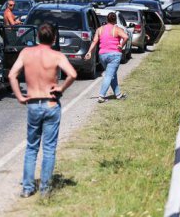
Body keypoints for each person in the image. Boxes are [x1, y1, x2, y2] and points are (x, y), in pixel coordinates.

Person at [9, 23, 77, 198]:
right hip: (51, 103)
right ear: (54, 39)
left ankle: (27, 187)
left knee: (31, 147)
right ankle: (45, 189)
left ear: (37, 37)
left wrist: (19, 96)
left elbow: (12, 75)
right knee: (49, 148)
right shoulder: (57, 55)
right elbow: (73, 74)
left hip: (32, 102)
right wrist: (61, 88)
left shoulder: (26, 53)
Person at [85, 12, 128, 103]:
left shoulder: (99, 29)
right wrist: (121, 45)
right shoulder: (117, 29)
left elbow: (94, 41)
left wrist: (89, 52)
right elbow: (126, 37)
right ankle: (101, 96)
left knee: (112, 74)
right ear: (115, 20)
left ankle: (118, 94)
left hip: (102, 55)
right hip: (114, 55)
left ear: (106, 20)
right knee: (109, 75)